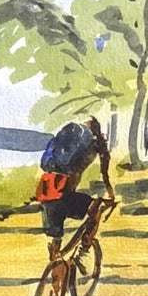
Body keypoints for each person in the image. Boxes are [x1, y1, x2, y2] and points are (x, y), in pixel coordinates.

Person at [34, 116, 114, 281]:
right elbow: (104, 176)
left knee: (55, 247)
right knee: (96, 208)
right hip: (64, 194)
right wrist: (111, 197)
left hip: (46, 191)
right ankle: (82, 253)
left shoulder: (63, 143)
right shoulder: (95, 147)